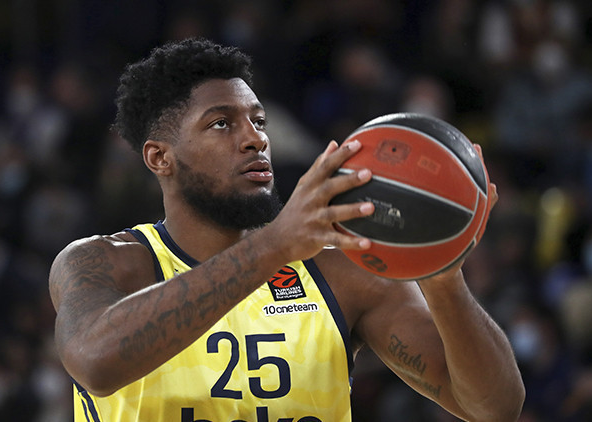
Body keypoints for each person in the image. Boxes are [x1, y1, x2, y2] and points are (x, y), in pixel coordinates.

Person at [48, 37, 525, 422]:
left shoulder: (343, 272)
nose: (255, 138)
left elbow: (493, 408)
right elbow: (95, 362)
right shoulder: (104, 261)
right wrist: (275, 244)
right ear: (160, 158)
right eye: (221, 124)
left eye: (258, 121)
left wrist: (442, 275)